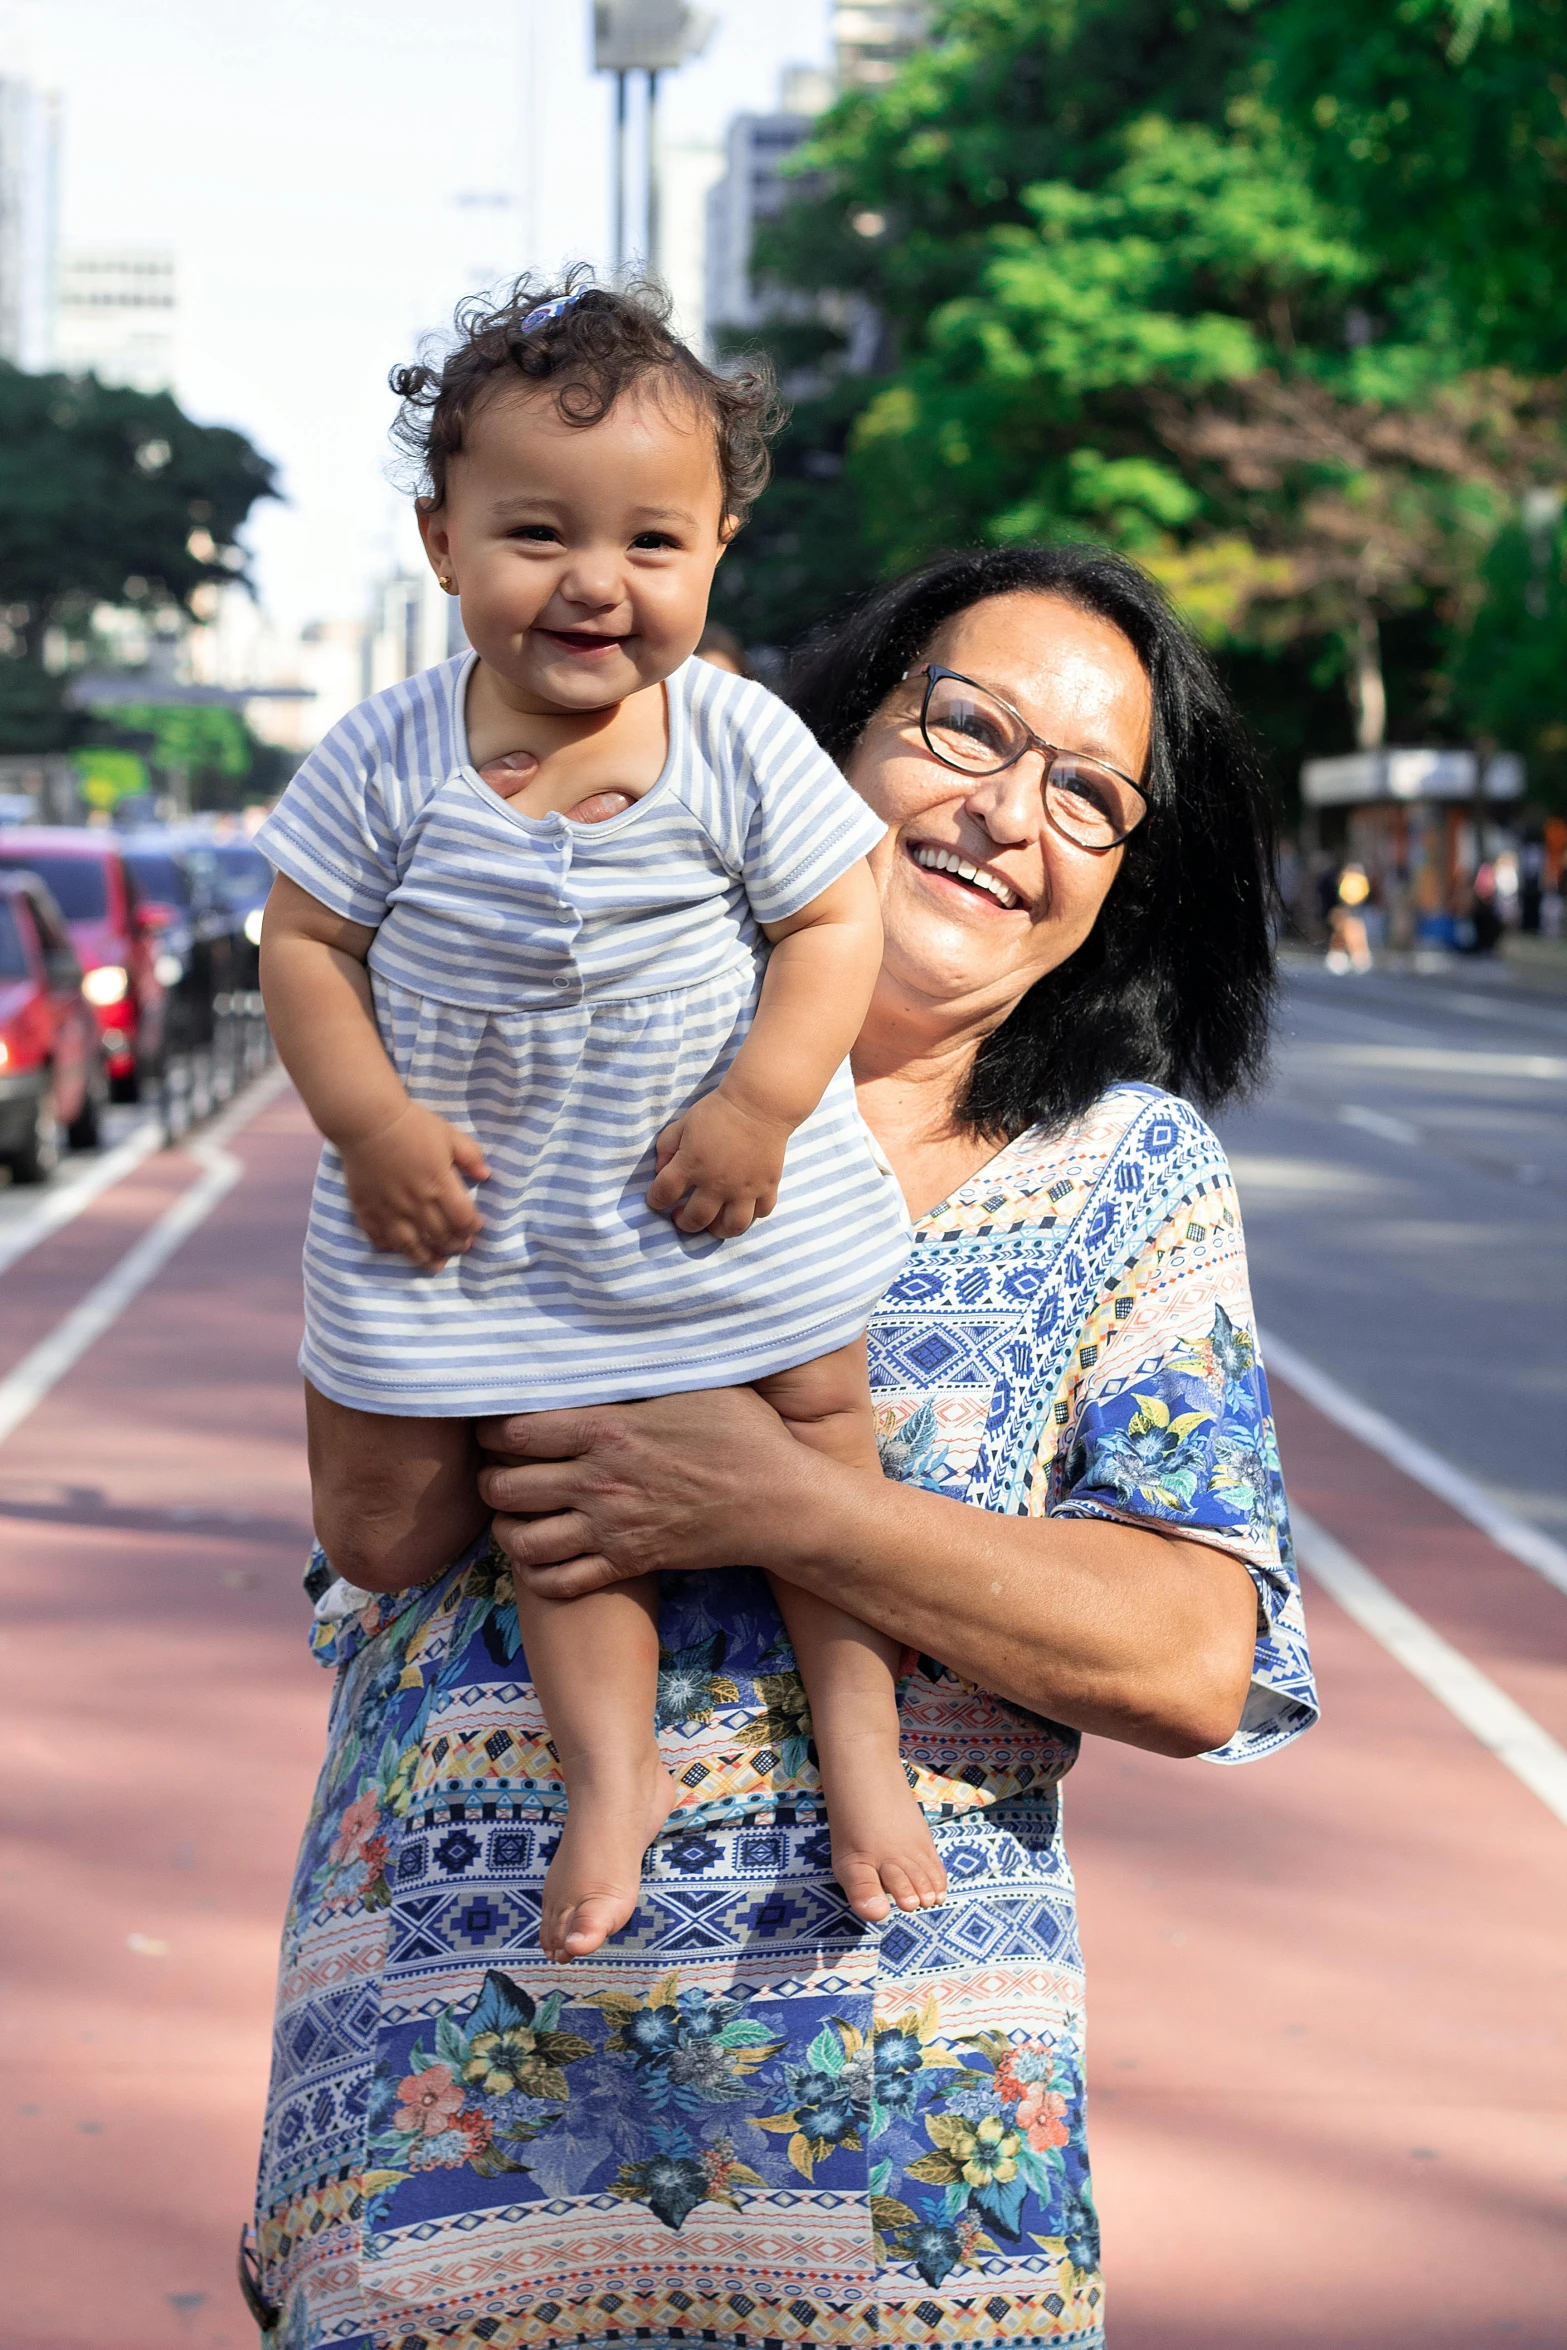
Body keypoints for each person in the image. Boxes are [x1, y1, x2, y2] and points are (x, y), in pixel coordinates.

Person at [247, 543, 1317, 2350]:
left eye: (1088, 795)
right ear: (807, 741)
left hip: (899, 2176)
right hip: (445, 2113)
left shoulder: (1125, 1176)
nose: (1006, 814)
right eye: (961, 728)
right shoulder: (558, 1038)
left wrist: (784, 1505)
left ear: (1124, 883)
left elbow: (1191, 1657)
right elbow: (382, 1523)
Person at [255, 278, 938, 1966]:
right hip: (508, 1222)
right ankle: (609, 1770)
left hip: (719, 1190)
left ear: (714, 550)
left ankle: (865, 1754)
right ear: (441, 538)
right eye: (537, 532)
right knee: (556, 1491)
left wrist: (766, 1100)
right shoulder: (385, 757)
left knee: (824, 1425)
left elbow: (836, 922)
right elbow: (305, 949)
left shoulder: (734, 737)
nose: (594, 583)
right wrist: (374, 1127)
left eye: (651, 543)